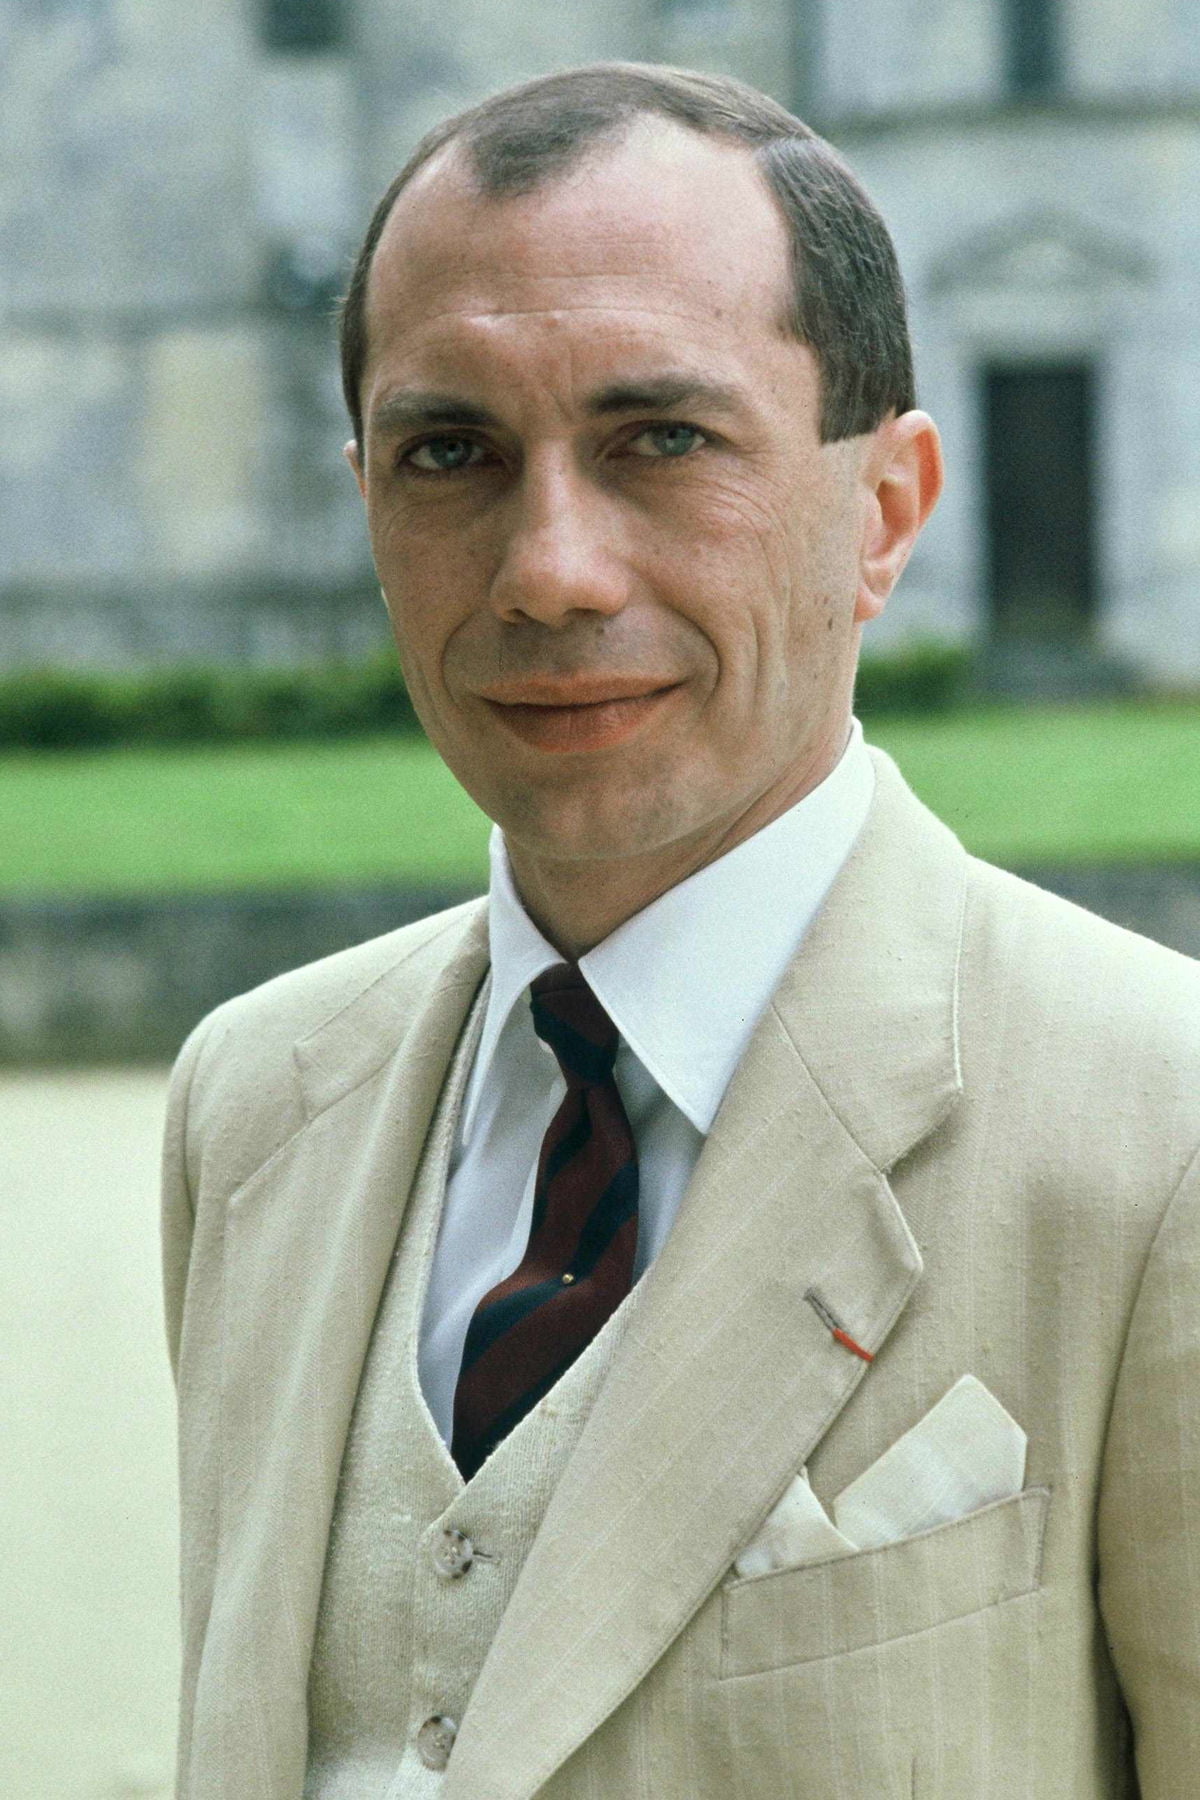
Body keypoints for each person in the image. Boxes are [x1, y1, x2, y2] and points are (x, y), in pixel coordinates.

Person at [162, 63, 1200, 1800]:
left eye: (661, 440)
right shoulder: (252, 1103)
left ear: (883, 512)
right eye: (450, 454)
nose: (549, 570)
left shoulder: (1161, 1131)